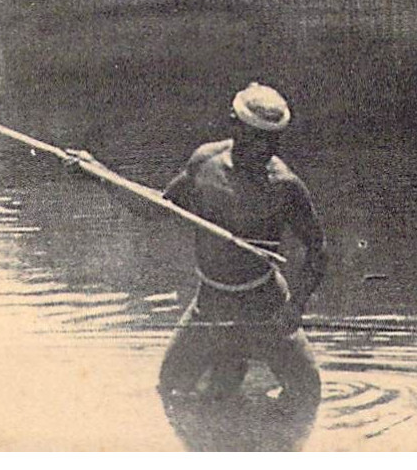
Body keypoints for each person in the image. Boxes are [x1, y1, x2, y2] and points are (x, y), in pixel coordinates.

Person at [67, 82, 326, 410]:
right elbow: (158, 208)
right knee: (171, 392)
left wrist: (295, 306)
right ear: (234, 125)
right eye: (254, 136)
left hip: (265, 307)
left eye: (271, 139)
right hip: (210, 306)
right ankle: (228, 380)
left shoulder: (285, 187)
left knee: (308, 397)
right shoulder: (205, 163)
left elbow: (318, 249)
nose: (263, 148)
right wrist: (100, 172)